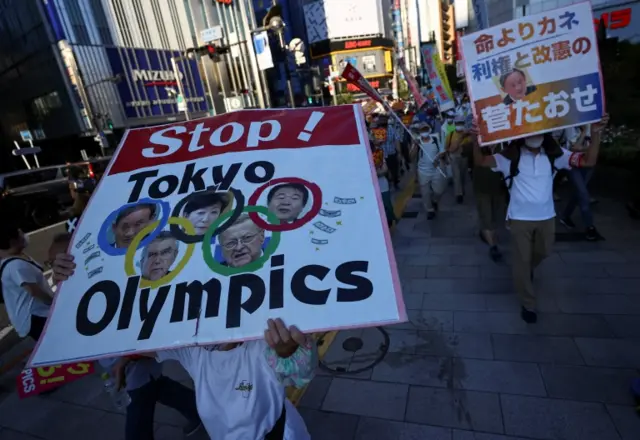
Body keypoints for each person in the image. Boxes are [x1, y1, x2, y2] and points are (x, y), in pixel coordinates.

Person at [473, 115, 609, 324]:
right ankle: (528, 303)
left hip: (546, 218)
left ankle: (525, 272)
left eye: (538, 131)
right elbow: (481, 161)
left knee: (543, 252)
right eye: (529, 132)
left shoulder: (556, 155)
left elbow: (588, 160)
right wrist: (476, 139)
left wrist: (596, 132)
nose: (534, 136)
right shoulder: (509, 157)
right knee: (522, 261)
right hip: (519, 219)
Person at [51, 252, 202, 439]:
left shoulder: (121, 273)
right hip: (125, 363)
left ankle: (200, 409)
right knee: (159, 388)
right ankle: (199, 409)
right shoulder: (86, 285)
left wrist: (124, 360)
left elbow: (138, 321)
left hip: (134, 365)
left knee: (138, 417)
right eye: (54, 262)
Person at [0, 222, 52, 341]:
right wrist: (54, 303)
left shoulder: (14, 259)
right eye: (21, 234)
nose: (24, 236)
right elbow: (34, 291)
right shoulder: (15, 265)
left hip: (33, 316)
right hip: (36, 317)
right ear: (13, 241)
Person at [559, 126, 602, 241]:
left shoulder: (594, 127)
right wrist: (583, 134)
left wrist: (587, 148)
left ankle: (565, 216)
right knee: (583, 194)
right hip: (573, 165)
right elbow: (574, 148)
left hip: (589, 165)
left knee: (578, 193)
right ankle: (590, 227)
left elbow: (595, 146)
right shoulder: (570, 127)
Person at [471, 142, 507, 261]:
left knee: (495, 217)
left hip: (498, 189)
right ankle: (493, 246)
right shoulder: (476, 146)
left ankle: (486, 233)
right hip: (482, 189)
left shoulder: (504, 145)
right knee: (487, 218)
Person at [413, 123, 447, 220]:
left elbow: (442, 151)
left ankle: (435, 200)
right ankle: (430, 210)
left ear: (429, 130)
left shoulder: (435, 139)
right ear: (419, 132)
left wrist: (438, 158)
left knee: (439, 191)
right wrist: (415, 146)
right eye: (422, 130)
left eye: (425, 129)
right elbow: (411, 157)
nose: (424, 132)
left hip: (436, 170)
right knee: (425, 193)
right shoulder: (417, 142)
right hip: (423, 172)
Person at [446, 115, 474, 204]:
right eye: (458, 123)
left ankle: (461, 189)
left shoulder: (468, 135)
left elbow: (471, 146)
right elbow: (447, 148)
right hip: (454, 157)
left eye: (461, 123)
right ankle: (459, 194)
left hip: (464, 157)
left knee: (462, 176)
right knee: (456, 176)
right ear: (455, 124)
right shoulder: (450, 135)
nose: (459, 125)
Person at [370, 133, 396, 227]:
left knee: (386, 204)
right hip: (370, 187)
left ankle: (389, 220)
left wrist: (375, 174)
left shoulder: (379, 154)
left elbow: (385, 169)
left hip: (382, 184)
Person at [381, 113, 402, 189]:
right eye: (381, 119)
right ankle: (387, 184)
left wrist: (399, 152)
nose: (383, 121)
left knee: (394, 170)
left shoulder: (391, 128)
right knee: (385, 171)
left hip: (391, 153)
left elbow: (396, 140)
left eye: (384, 119)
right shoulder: (377, 131)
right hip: (382, 155)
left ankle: (396, 183)